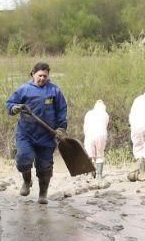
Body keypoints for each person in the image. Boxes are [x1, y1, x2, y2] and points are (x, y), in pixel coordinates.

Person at [6, 62, 68, 204]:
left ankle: (43, 194)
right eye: (39, 75)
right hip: (26, 134)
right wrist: (15, 108)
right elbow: (9, 104)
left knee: (45, 167)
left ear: (48, 76)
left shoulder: (55, 91)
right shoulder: (23, 90)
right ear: (33, 74)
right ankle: (27, 181)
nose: (42, 78)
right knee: (23, 159)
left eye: (45, 76)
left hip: (47, 136)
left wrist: (61, 128)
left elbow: (62, 111)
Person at [82, 100, 109, 180]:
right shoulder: (105, 114)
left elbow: (85, 126)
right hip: (101, 135)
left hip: (90, 134)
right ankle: (99, 175)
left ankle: (90, 173)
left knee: (90, 155)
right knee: (100, 155)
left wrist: (86, 135)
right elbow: (105, 125)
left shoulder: (89, 113)